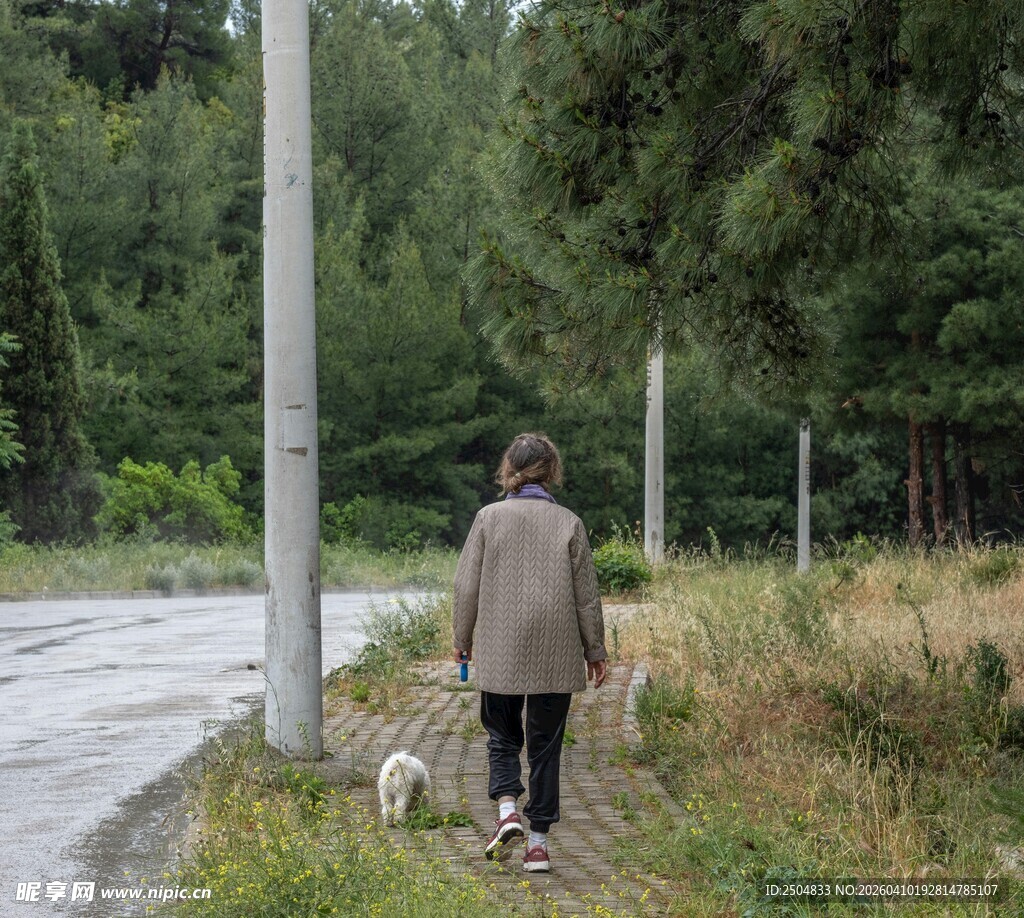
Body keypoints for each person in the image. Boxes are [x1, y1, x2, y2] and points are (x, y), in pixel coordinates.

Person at [452, 432, 607, 873]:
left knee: (501, 736)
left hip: (500, 648)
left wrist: (462, 639)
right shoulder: (570, 523)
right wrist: (594, 649)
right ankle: (537, 846)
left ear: (509, 470)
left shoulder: (487, 518)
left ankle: (506, 813)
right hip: (557, 653)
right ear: (551, 471)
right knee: (545, 749)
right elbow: (586, 596)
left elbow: (466, 585)